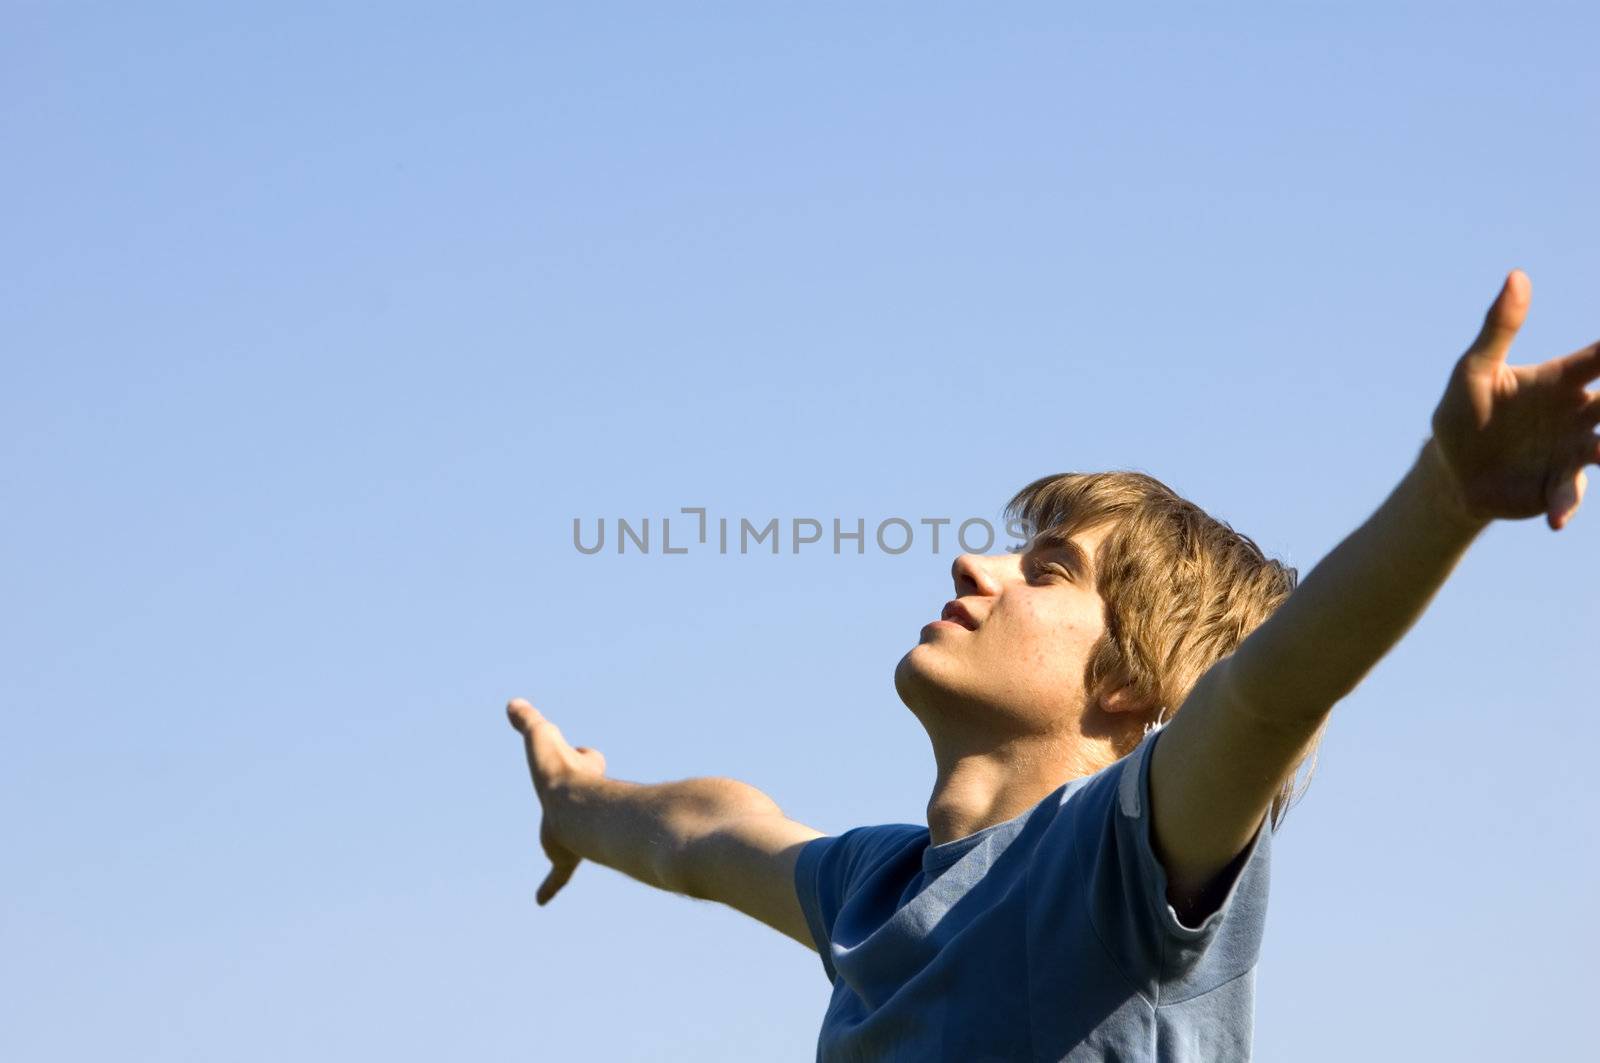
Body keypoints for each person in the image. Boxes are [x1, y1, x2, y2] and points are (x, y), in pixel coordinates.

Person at [506, 269, 1600, 1061]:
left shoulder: (1117, 858)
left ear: (1129, 682)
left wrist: (1445, 501)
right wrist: (575, 799)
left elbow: (1272, 693)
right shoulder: (871, 891)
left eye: (1046, 568)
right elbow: (703, 832)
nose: (971, 563)